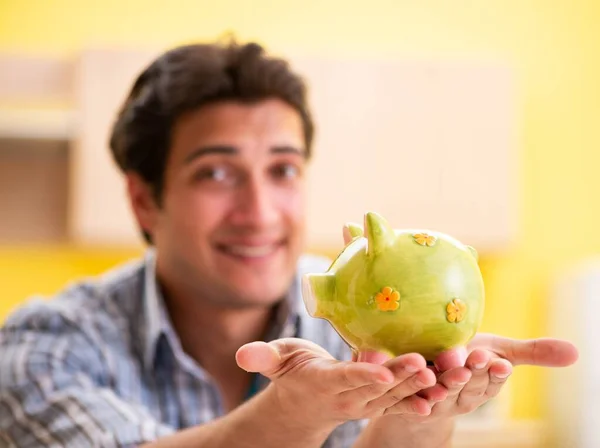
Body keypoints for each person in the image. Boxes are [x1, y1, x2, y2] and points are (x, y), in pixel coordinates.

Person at [0, 38, 578, 448]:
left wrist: (421, 414)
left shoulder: (365, 327)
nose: (259, 213)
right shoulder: (46, 346)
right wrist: (293, 414)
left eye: (283, 170)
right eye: (216, 173)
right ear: (145, 199)